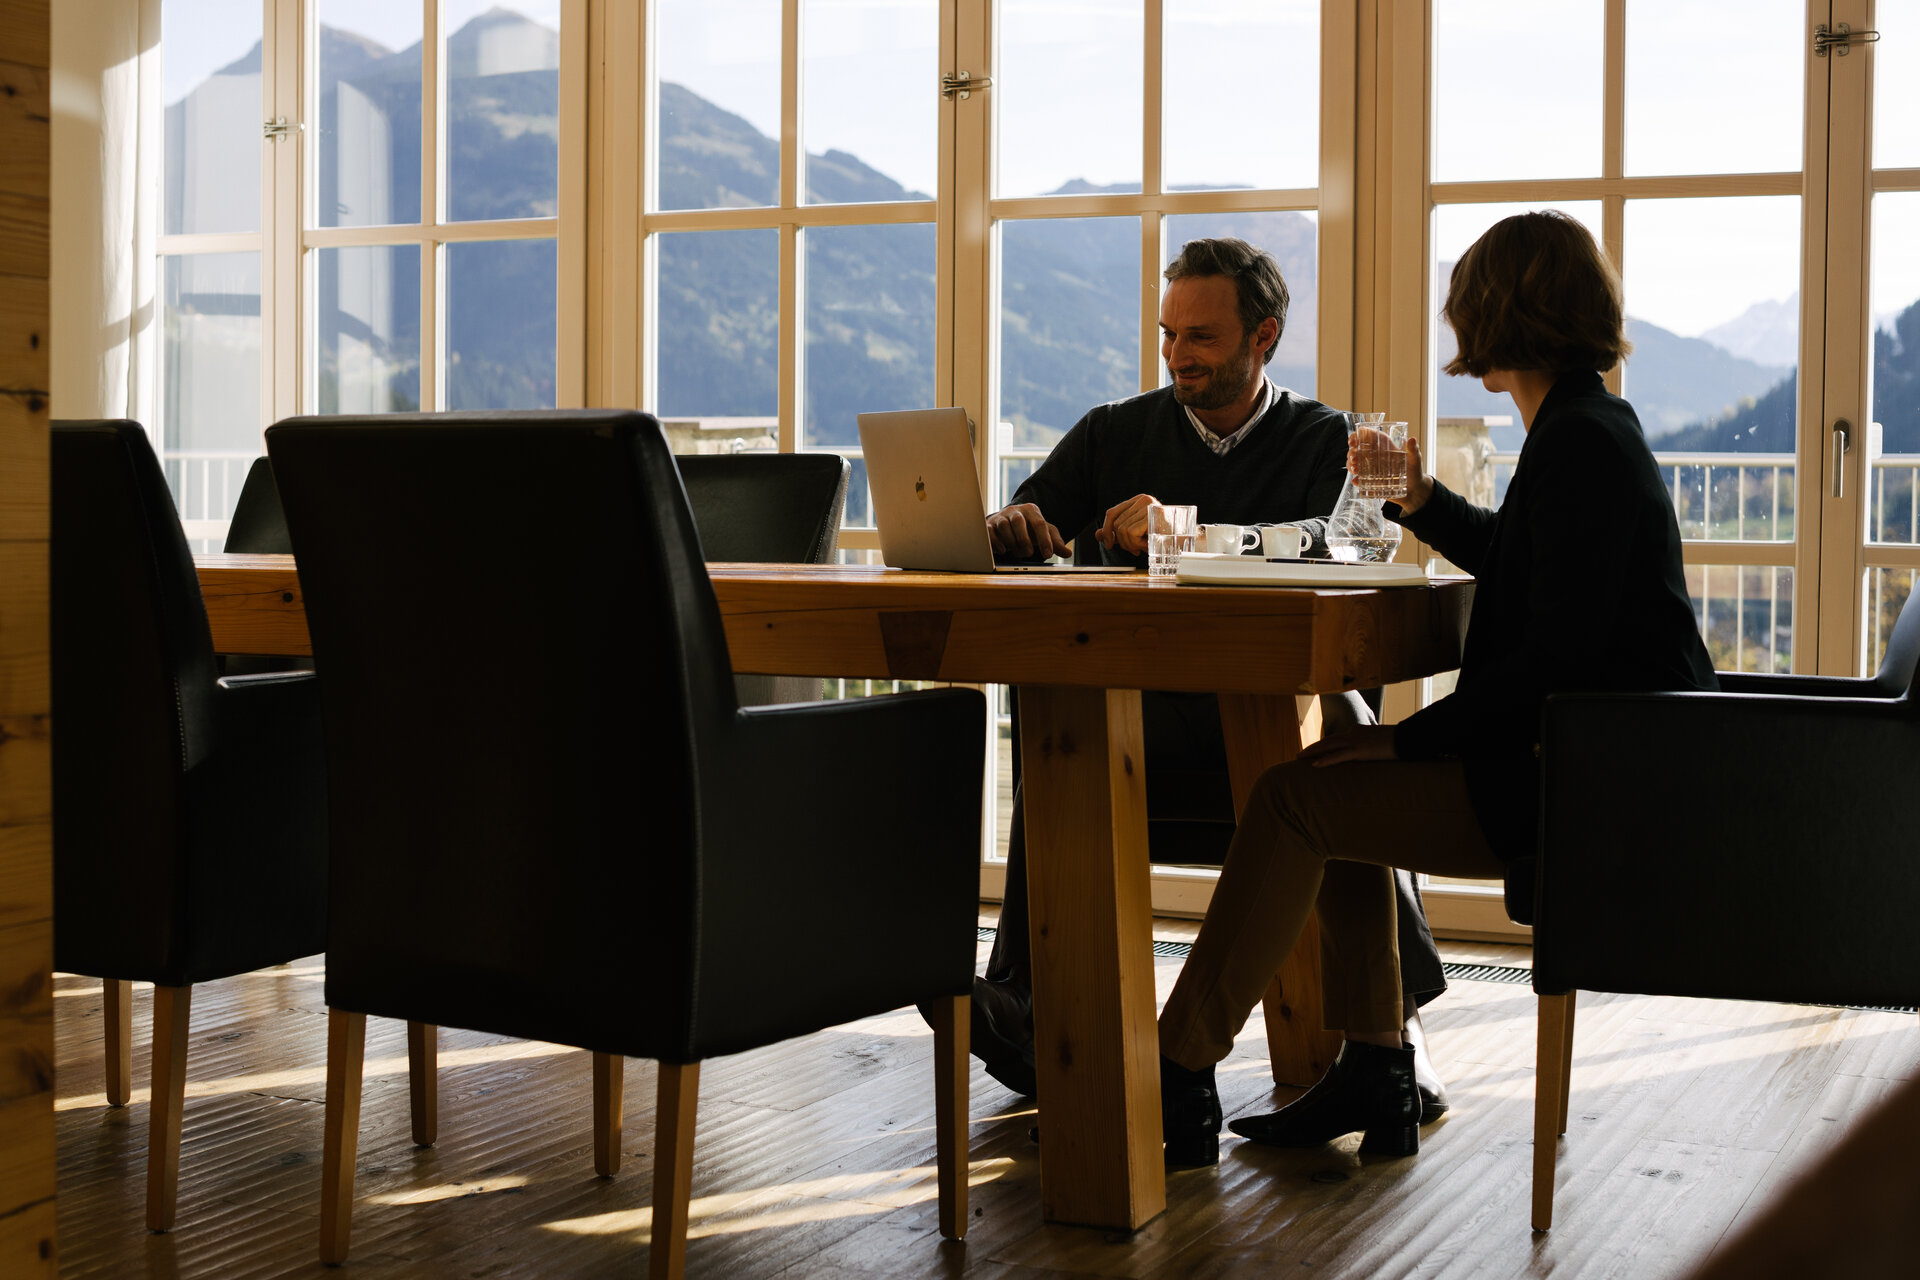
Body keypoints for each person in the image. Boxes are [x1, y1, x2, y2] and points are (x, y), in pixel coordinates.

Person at [1151, 210, 1720, 1169]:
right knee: (1333, 792)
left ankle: (1177, 1062)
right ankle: (1375, 1065)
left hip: (1587, 783)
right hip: (1606, 759)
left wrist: (1406, 741)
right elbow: (1525, 566)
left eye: (1463, 301)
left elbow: (1555, 658)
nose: (1454, 320)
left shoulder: (1579, 440)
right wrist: (1419, 498)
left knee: (1297, 798)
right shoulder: (1585, 426)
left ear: (1501, 311)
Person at [958, 237, 1451, 1117]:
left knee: (1340, 743)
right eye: (1167, 334)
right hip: (1146, 728)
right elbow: (1028, 519)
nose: (1177, 356)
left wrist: (1182, 533)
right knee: (1061, 738)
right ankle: (1033, 1011)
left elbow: (1360, 546)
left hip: (1286, 734)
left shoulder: (1341, 439)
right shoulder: (1112, 430)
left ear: (1263, 337)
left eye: (1202, 338)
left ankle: (1390, 1034)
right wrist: (1010, 529)